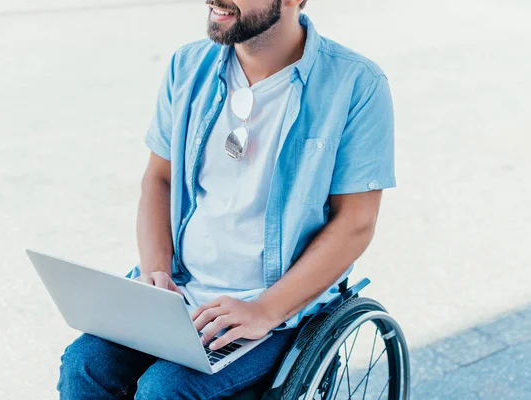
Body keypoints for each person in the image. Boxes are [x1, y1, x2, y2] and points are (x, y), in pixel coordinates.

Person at [57, 0, 396, 398]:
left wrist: (264, 310)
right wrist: (155, 271)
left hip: (277, 308)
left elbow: (355, 224)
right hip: (183, 291)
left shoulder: (355, 84)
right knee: (84, 366)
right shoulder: (188, 66)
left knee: (165, 390)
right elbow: (159, 179)